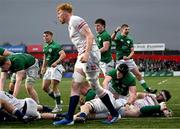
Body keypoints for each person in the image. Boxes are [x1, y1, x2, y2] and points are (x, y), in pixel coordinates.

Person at [54, 3, 119, 125]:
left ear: (65, 12)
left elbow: (90, 35)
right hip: (82, 55)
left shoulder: (75, 20)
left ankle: (115, 114)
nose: (58, 16)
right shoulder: (70, 25)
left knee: (96, 87)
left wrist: (87, 54)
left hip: (90, 56)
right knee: (75, 84)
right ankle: (69, 118)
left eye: (58, 13)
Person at [111, 24, 157, 93]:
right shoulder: (118, 37)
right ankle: (113, 90)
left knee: (138, 74)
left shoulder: (130, 39)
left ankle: (147, 89)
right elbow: (111, 39)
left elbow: (132, 51)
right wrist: (115, 31)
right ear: (122, 30)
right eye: (126, 29)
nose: (128, 31)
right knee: (116, 76)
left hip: (129, 61)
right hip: (120, 61)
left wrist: (128, 57)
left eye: (128, 29)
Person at [41, 31, 66, 112]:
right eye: (44, 36)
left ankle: (58, 107)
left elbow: (63, 55)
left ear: (51, 36)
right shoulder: (45, 47)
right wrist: (43, 67)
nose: (45, 37)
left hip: (57, 67)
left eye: (47, 36)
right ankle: (57, 99)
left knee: (54, 86)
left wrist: (56, 62)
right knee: (44, 87)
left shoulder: (56, 46)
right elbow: (45, 57)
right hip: (49, 68)